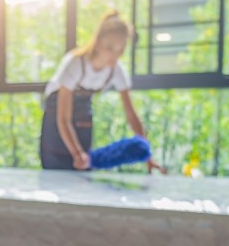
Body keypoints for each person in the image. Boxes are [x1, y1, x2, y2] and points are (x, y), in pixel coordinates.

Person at [40, 10, 166, 173]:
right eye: (110, 48)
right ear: (97, 42)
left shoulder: (117, 71)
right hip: (57, 113)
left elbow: (131, 114)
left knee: (84, 166)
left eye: (120, 50)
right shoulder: (75, 63)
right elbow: (63, 118)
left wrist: (147, 157)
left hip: (83, 112)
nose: (115, 55)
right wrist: (77, 153)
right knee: (56, 169)